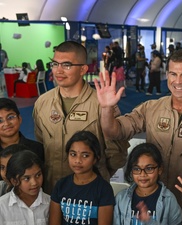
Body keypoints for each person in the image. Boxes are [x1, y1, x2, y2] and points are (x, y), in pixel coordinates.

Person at [94, 49, 182, 211]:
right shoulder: (151, 108)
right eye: (173, 74)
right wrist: (106, 108)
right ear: (167, 75)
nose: (178, 81)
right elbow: (114, 131)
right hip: (154, 206)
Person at [33, 41, 129, 194]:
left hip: (90, 194)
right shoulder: (42, 103)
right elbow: (41, 146)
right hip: (51, 191)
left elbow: (116, 155)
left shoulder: (102, 104)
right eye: (55, 64)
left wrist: (97, 177)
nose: (58, 71)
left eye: (67, 65)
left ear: (83, 69)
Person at [49, 131, 114, 225]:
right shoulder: (61, 185)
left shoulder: (103, 189)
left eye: (85, 155)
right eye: (73, 154)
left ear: (96, 158)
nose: (78, 161)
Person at [113, 143, 182, 225]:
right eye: (137, 169)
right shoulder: (121, 198)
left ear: (160, 169)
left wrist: (150, 222)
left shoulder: (169, 200)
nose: (142, 174)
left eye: (149, 168)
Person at [0, 150, 50, 224]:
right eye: (26, 178)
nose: (34, 183)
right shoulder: (2, 206)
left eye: (38, 175)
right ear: (14, 181)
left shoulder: (50, 203)